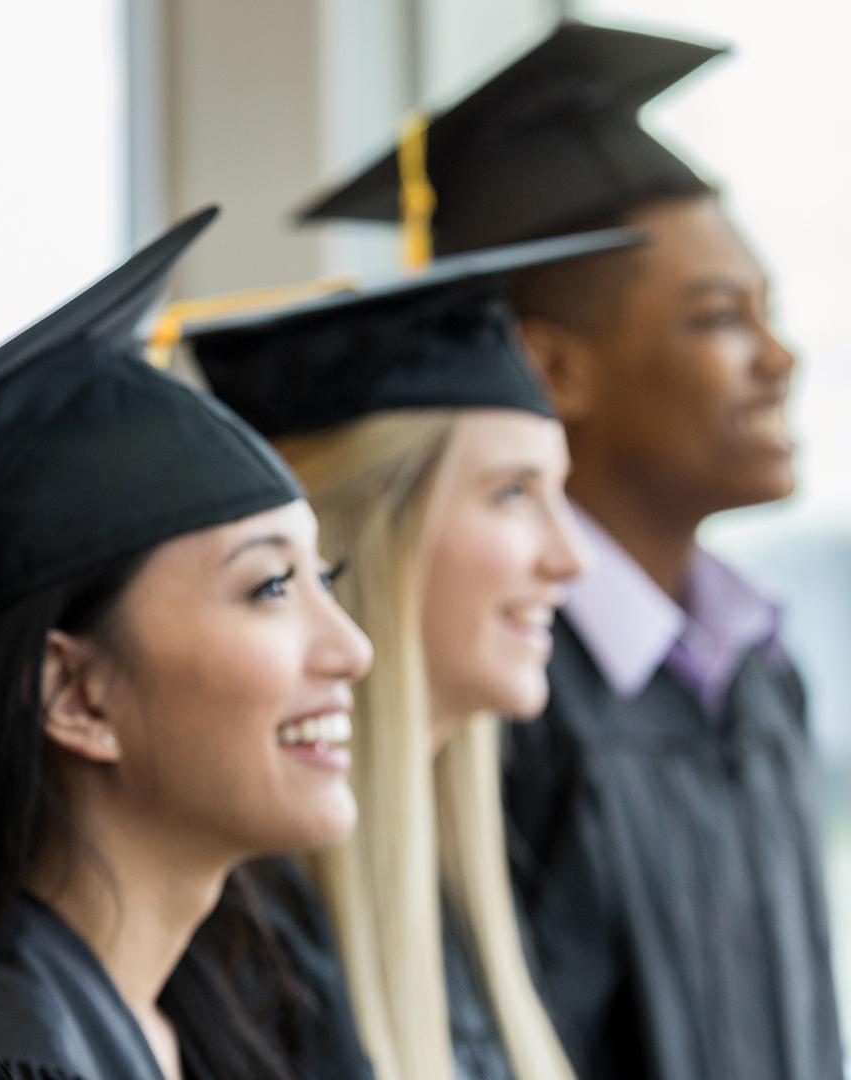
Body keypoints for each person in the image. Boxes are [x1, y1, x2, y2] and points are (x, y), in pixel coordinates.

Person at [301, 22, 841, 1079]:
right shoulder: (487, 697)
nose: (780, 358)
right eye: (722, 318)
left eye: (768, 313)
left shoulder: (761, 673)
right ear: (552, 368)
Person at [0, 207, 374, 1080]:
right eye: (270, 586)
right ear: (78, 697)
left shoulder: (228, 1021)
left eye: (323, 581)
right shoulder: (3, 1058)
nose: (353, 649)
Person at [171, 231, 637, 1080]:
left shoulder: (472, 900)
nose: (571, 557)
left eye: (557, 494)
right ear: (361, 533)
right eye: (512, 494)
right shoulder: (243, 948)